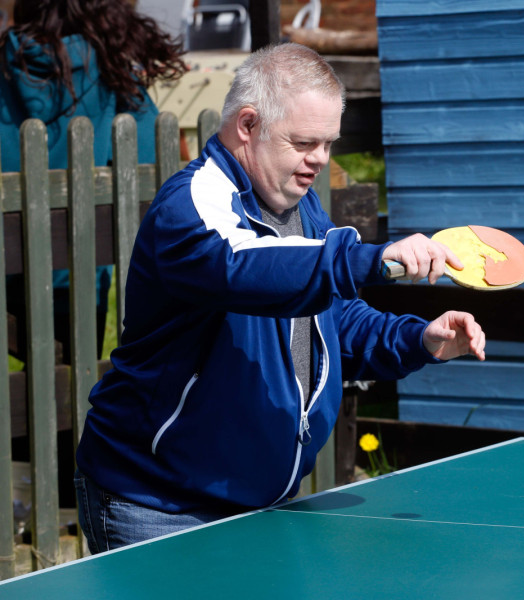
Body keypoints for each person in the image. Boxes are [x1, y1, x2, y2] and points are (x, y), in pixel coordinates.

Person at [74, 42, 486, 553]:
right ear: (248, 125)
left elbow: (329, 322)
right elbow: (244, 268)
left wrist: (416, 339)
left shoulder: (300, 205)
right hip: (157, 503)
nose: (320, 159)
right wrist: (371, 258)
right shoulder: (192, 205)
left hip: (260, 502)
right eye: (304, 142)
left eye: (329, 143)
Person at [0, 0, 186, 361]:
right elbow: (152, 168)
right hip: (80, 272)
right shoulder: (109, 68)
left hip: (9, 265)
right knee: (75, 377)